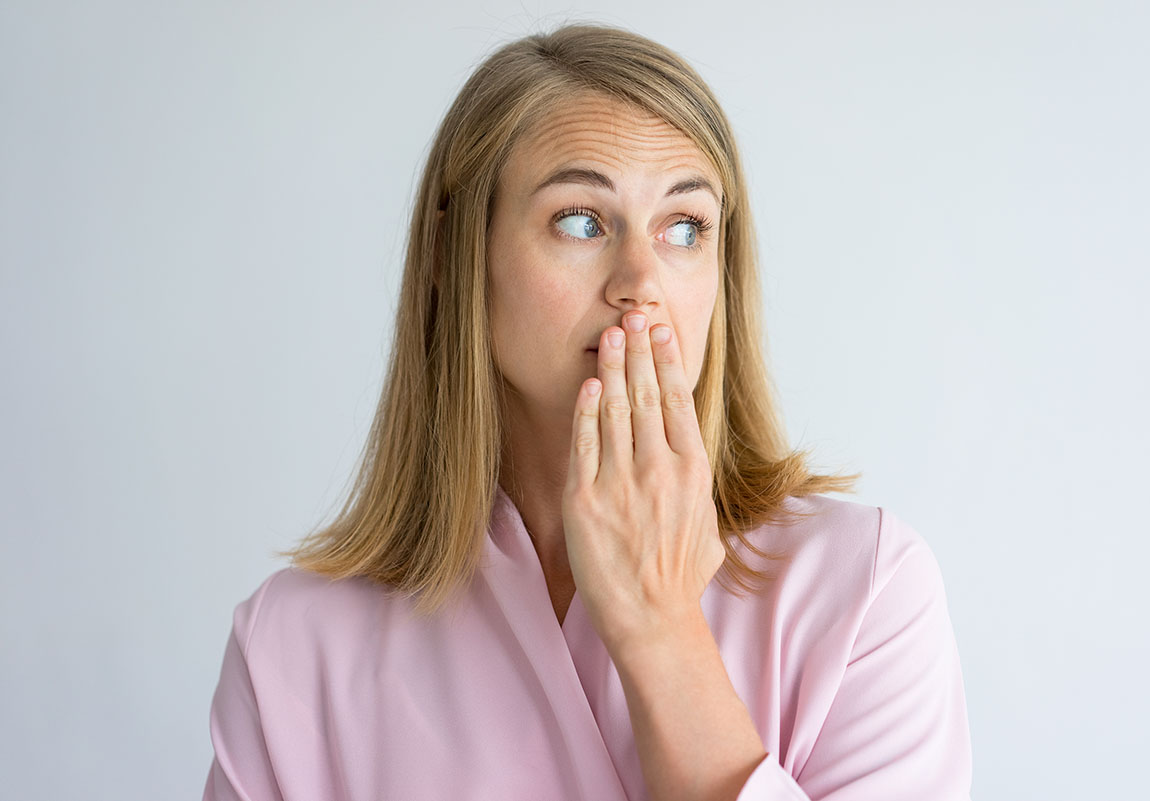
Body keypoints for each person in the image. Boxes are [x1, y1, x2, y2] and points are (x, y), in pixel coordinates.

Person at [202, 22, 973, 801]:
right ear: (451, 255)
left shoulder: (865, 593)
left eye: (684, 228)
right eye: (581, 220)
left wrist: (660, 626)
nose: (640, 281)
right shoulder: (290, 650)